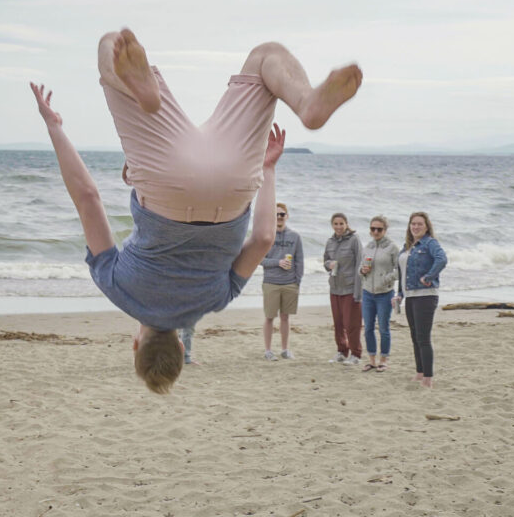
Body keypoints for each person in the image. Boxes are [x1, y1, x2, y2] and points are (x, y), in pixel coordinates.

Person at [30, 28, 363, 394]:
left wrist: (266, 170)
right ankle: (145, 96)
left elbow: (264, 237)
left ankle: (306, 105)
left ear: (179, 344)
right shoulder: (117, 288)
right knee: (110, 45)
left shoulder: (216, 298)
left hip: (233, 183)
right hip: (165, 181)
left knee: (266, 58)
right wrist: (54, 128)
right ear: (136, 344)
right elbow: (87, 197)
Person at [393, 212, 447, 389]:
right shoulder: (407, 246)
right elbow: (402, 273)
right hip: (410, 296)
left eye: (419, 224)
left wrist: (429, 276)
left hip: (426, 295)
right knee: (415, 336)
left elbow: (442, 259)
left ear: (426, 226)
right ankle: (420, 372)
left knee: (423, 338)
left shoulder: (430, 243)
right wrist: (399, 293)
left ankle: (428, 378)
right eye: (413, 224)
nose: (416, 227)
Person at [259, 202, 304, 360]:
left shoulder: (295, 236)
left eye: (282, 214)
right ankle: (268, 351)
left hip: (290, 283)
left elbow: (299, 261)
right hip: (271, 282)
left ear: (287, 216)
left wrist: (297, 281)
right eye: (276, 214)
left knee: (285, 317)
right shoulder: (266, 236)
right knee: (269, 317)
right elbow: (259, 260)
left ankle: (285, 350)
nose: (279, 217)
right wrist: (277, 262)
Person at [358, 215, 400, 372]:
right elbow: (360, 269)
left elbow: (400, 270)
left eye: (379, 229)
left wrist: (386, 279)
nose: (375, 232)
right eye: (372, 229)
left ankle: (383, 360)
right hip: (368, 292)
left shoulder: (392, 247)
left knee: (383, 328)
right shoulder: (367, 246)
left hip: (385, 293)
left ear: (385, 230)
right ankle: (371, 360)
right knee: (368, 327)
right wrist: (362, 271)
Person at [324, 213, 363, 365]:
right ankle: (342, 351)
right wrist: (329, 265)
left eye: (341, 223)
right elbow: (325, 260)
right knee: (338, 323)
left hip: (350, 288)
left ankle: (356, 354)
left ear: (346, 224)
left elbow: (360, 264)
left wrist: (358, 292)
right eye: (335, 224)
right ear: (332, 225)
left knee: (351, 323)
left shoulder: (354, 240)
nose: (338, 227)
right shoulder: (330, 242)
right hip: (335, 288)